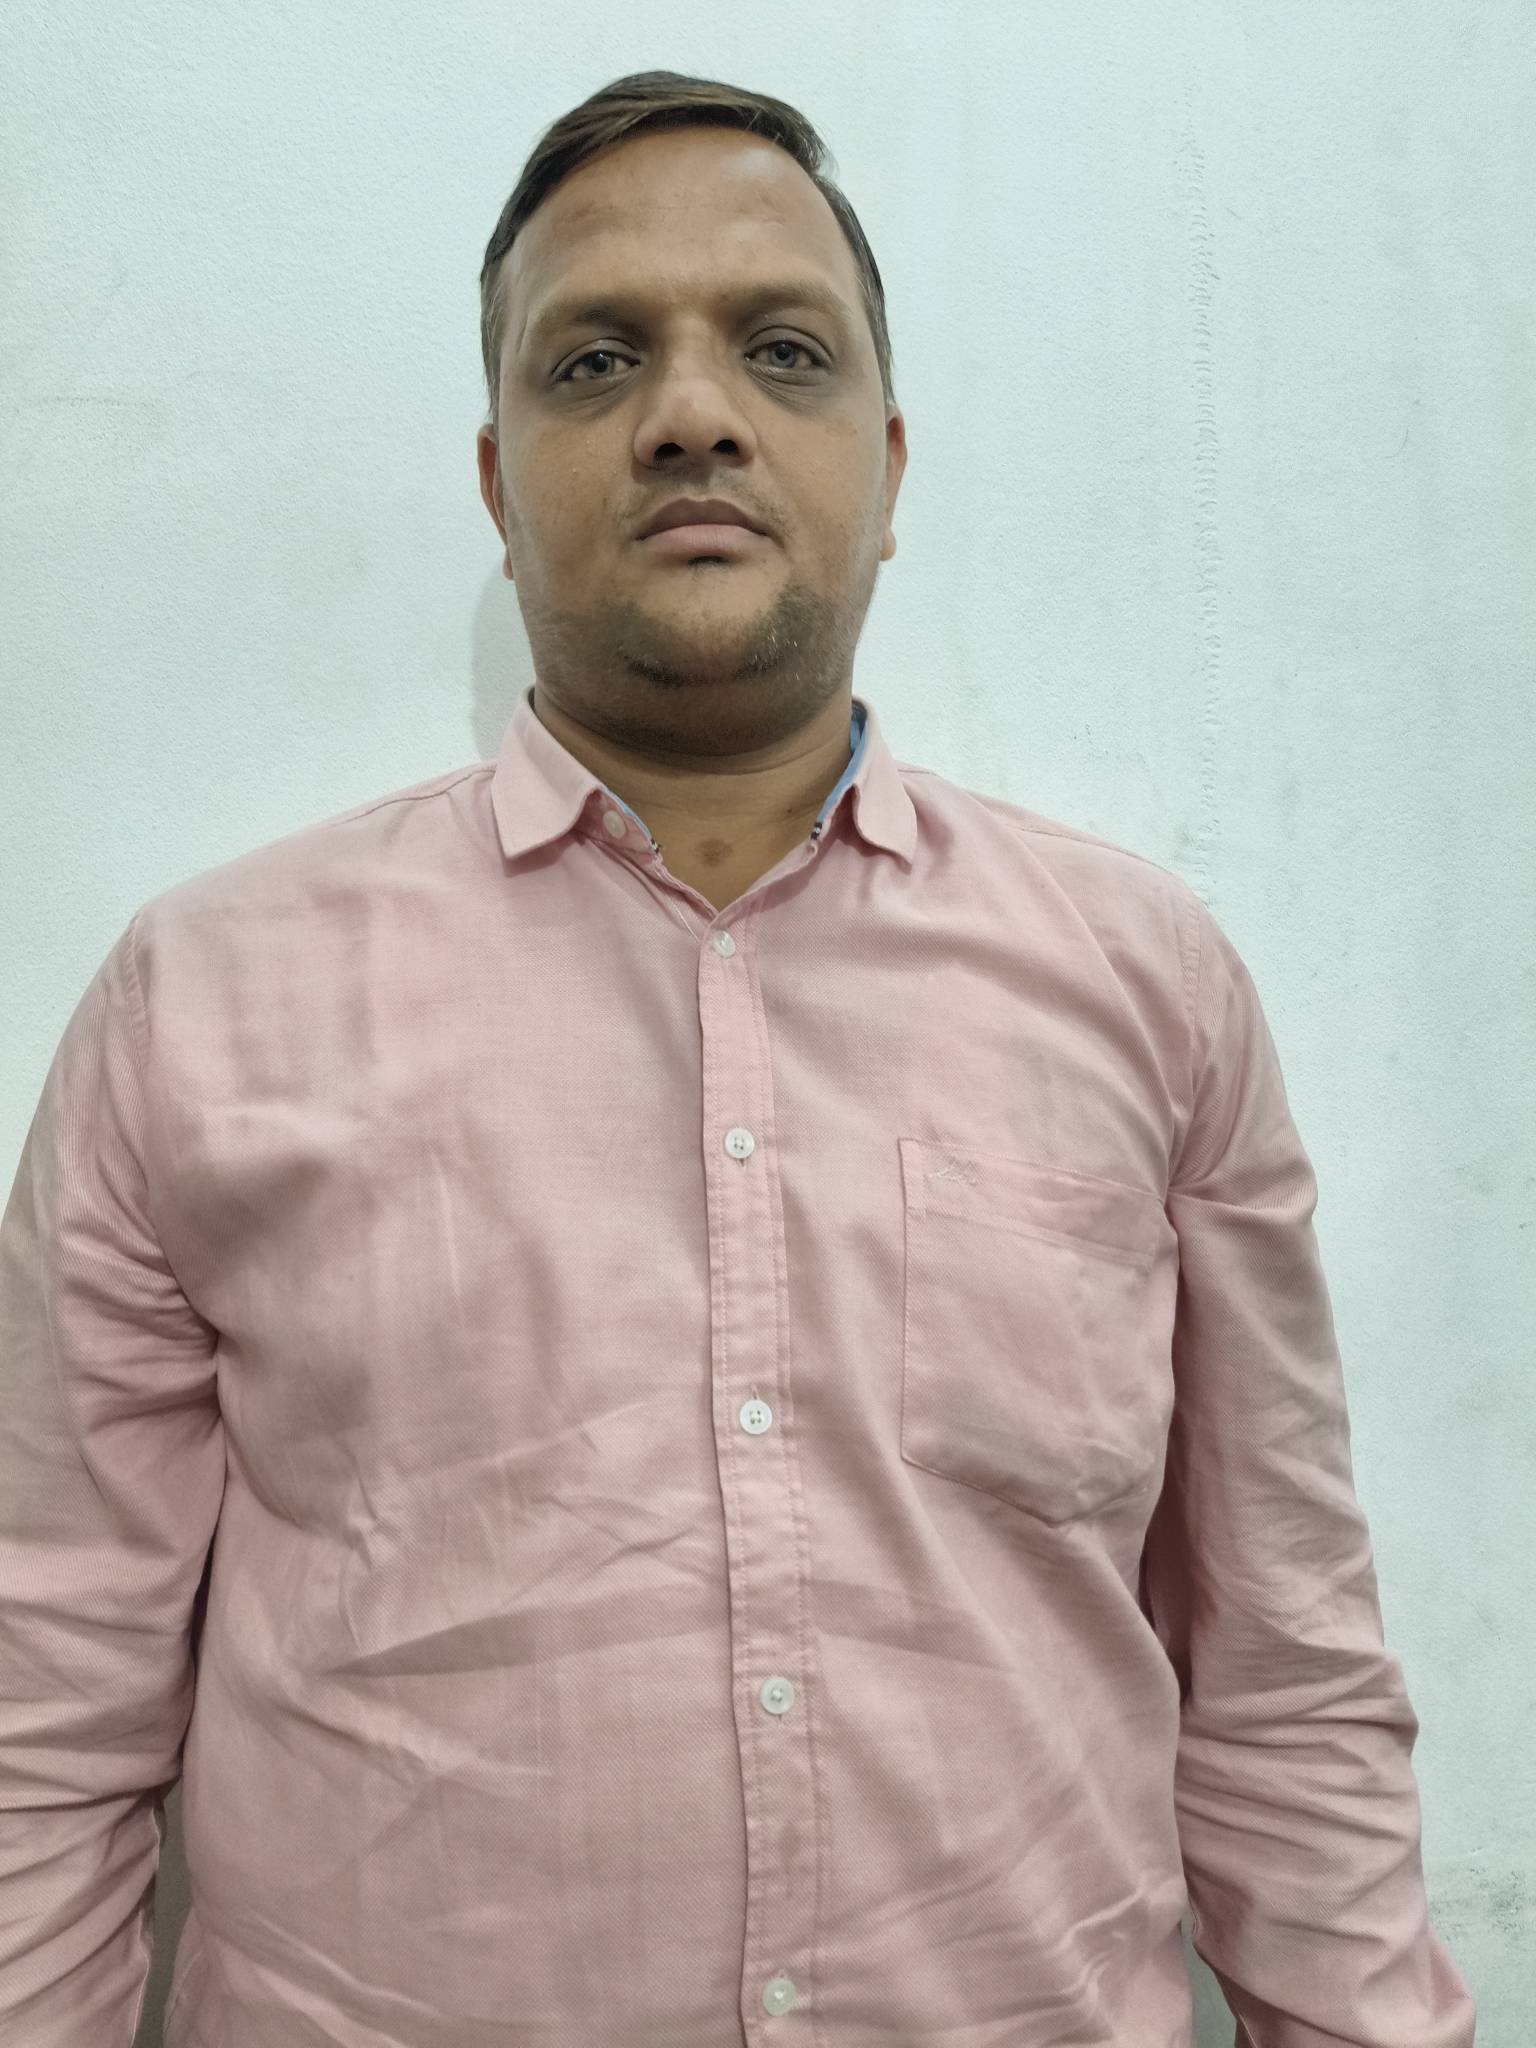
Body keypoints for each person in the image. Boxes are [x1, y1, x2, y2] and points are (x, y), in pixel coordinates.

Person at [0, 68, 1475, 2048]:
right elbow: (40, 1710)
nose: (692, 413)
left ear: (885, 460)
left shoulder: (1147, 986)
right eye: (597, 359)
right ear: (499, 480)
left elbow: (1283, 1673)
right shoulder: (201, 1004)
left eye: (779, 350)